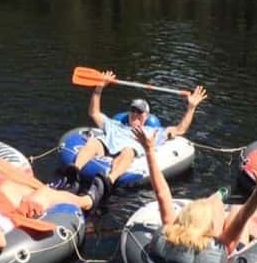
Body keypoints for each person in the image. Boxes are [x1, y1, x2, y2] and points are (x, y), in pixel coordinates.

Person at [132, 126, 257, 255]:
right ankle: (226, 195)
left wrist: (149, 150)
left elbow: (162, 193)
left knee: (214, 202)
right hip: (235, 239)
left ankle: (222, 194)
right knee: (237, 210)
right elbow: (243, 217)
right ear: (210, 229)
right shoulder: (222, 245)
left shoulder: (169, 230)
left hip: (199, 227)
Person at [56, 71, 208, 190]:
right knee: (95, 142)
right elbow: (94, 113)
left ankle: (108, 180)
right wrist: (99, 89)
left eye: (140, 111)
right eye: (133, 110)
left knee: (128, 151)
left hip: (129, 150)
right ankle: (74, 170)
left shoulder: (152, 131)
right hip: (107, 145)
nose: (135, 114)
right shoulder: (115, 124)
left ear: (146, 115)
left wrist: (191, 107)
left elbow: (180, 130)